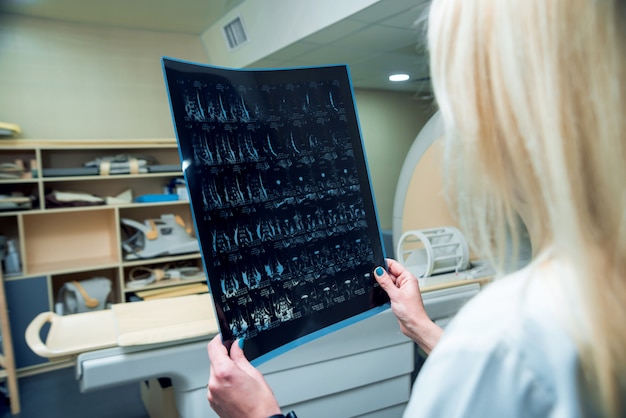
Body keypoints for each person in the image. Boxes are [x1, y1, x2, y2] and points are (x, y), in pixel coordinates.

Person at [207, 0, 626, 416]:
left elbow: (509, 370)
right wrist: (423, 328)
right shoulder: (584, 304)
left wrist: (260, 416)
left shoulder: (508, 333)